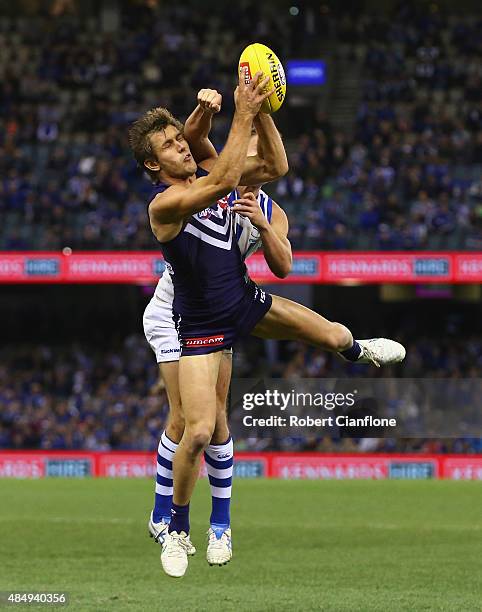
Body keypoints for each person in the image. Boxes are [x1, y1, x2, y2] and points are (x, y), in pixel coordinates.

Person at [128, 71, 405, 578]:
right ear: (154, 164)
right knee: (198, 430)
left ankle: (357, 350)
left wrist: (265, 109)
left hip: (244, 301)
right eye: (169, 147)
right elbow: (224, 176)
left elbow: (275, 166)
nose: (182, 149)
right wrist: (240, 110)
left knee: (333, 334)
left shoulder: (218, 173)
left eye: (179, 141)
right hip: (197, 324)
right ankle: (177, 530)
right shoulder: (165, 204)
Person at [143, 88, 291, 568]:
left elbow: (284, 261)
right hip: (173, 309)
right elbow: (192, 141)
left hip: (215, 313)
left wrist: (260, 114)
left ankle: (217, 528)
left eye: (253, 157)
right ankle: (165, 516)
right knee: (186, 420)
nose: (247, 159)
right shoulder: (211, 175)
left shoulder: (265, 210)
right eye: (241, 153)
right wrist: (210, 111)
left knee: (214, 422)